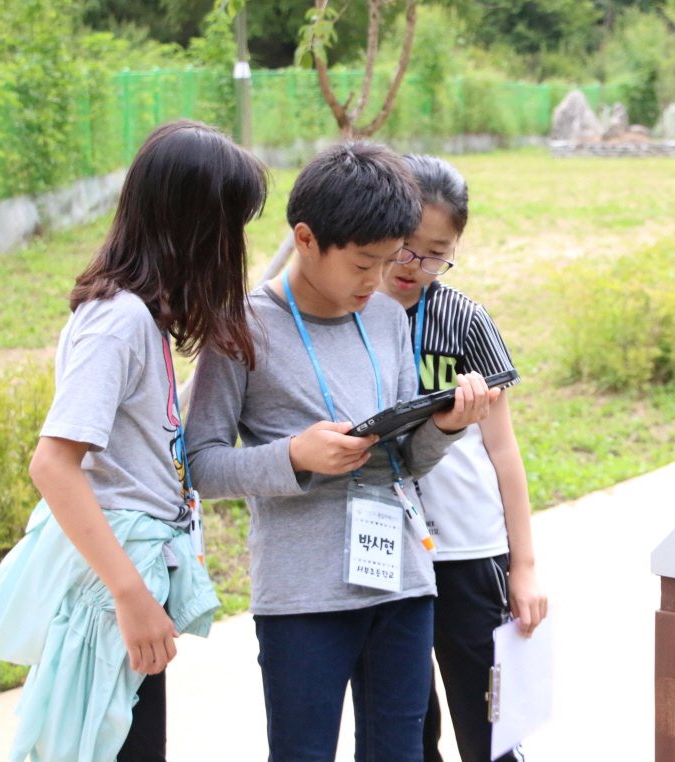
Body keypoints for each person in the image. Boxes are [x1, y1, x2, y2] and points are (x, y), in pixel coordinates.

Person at [183, 141, 499, 762]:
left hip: (403, 583)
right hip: (304, 597)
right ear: (304, 239)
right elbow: (202, 465)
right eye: (361, 264)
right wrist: (295, 456)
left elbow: (406, 459)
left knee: (400, 752)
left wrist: (448, 426)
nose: (377, 281)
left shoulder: (384, 317)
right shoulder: (240, 328)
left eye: (387, 262)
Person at [0, 120, 268, 762]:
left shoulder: (144, 318)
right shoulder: (118, 322)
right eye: (231, 227)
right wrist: (130, 597)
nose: (235, 245)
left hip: (130, 582)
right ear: (195, 227)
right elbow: (54, 465)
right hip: (113, 591)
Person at [377, 155, 548, 762]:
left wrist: (523, 566)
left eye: (435, 252)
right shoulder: (353, 316)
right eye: (402, 247)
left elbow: (503, 453)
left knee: (491, 731)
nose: (414, 267)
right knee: (406, 730)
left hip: (470, 554)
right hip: (385, 556)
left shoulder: (465, 321)